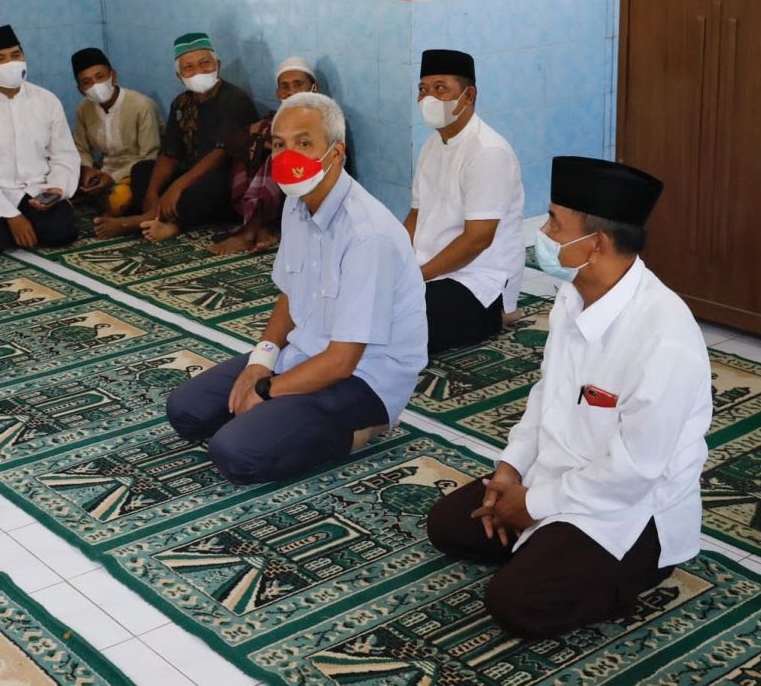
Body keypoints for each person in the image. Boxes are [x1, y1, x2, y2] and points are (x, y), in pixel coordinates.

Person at [427, 156, 711, 638]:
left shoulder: (664, 335)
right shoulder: (573, 295)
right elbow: (548, 394)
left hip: (628, 510)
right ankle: (541, 540)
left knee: (516, 602)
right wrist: (510, 470)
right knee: (448, 524)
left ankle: (636, 568)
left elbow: (634, 471)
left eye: (555, 222)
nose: (543, 231)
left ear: (595, 244)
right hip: (555, 478)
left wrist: (533, 504)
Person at [165, 93, 428, 483]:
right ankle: (287, 414)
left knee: (236, 454)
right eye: (279, 144)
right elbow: (291, 292)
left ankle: (364, 428)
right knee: (186, 411)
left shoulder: (368, 235)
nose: (289, 156)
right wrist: (262, 360)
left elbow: (343, 360)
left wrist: (268, 389)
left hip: (364, 377)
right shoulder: (297, 202)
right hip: (305, 354)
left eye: (304, 143)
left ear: (335, 153)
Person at [404, 49, 524, 354]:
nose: (428, 98)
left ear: (468, 95)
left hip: (478, 281)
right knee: (359, 300)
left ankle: (498, 316)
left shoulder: (487, 151)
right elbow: (415, 216)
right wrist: (395, 263)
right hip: (429, 271)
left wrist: (416, 277)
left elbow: (477, 240)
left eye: (440, 88)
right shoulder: (432, 145)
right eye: (423, 89)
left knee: (398, 325)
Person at [103, 32, 259, 242]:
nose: (198, 71)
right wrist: (153, 193)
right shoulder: (181, 104)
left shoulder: (234, 100)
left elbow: (220, 155)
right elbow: (170, 154)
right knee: (142, 170)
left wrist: (177, 187)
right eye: (189, 67)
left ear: (218, 65)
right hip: (190, 174)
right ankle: (154, 214)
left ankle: (154, 222)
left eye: (205, 63)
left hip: (224, 179)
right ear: (179, 76)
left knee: (214, 184)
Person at [0, 24, 78, 256]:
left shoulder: (47, 100)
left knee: (62, 232)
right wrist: (13, 216)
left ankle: (23, 228)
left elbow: (64, 155)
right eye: (0, 58)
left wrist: (56, 190)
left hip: (38, 192)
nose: (11, 63)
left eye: (16, 55)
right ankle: (8, 227)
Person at [209, 56, 318, 256]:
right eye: (285, 87)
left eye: (298, 84)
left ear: (314, 88)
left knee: (275, 160)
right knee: (250, 150)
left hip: (312, 186)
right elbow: (233, 141)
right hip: (282, 193)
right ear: (278, 94)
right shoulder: (274, 120)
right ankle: (266, 229)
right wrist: (262, 141)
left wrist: (278, 146)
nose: (291, 91)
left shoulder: (325, 116)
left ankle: (249, 232)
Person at [69, 46, 161, 223]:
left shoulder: (141, 106)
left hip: (135, 172)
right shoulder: (84, 108)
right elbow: (80, 147)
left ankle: (105, 204)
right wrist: (88, 170)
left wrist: (112, 178)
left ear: (113, 76)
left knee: (118, 200)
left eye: (100, 77)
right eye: (87, 82)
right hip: (102, 171)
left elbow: (150, 156)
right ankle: (90, 194)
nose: (95, 85)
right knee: (60, 178)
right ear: (81, 89)